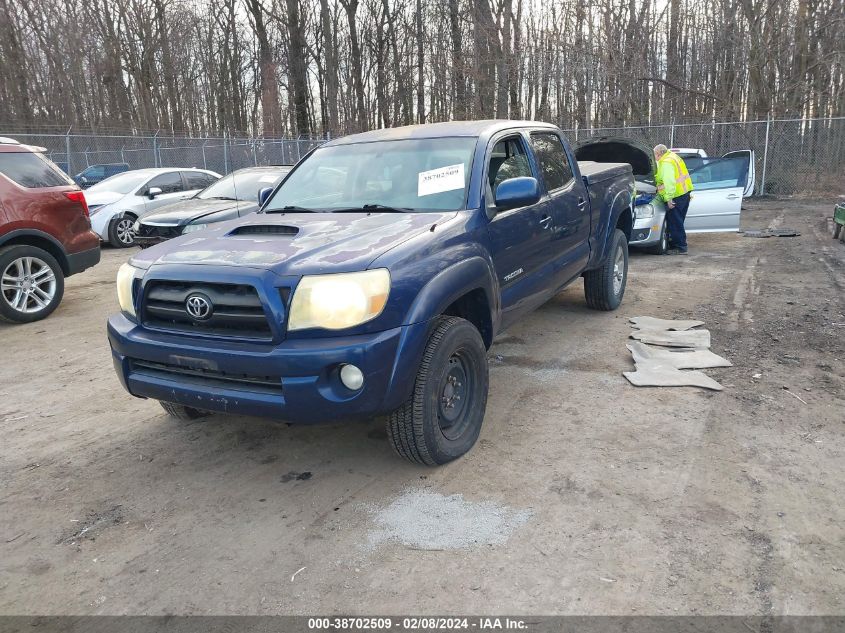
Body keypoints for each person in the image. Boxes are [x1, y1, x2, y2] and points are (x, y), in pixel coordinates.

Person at [653, 144, 694, 254]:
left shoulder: (666, 162)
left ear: (658, 154)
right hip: (684, 193)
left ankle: (680, 247)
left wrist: (669, 198)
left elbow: (669, 182)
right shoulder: (673, 156)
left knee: (675, 222)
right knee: (678, 221)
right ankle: (676, 243)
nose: (655, 158)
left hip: (676, 195)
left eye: (655, 156)